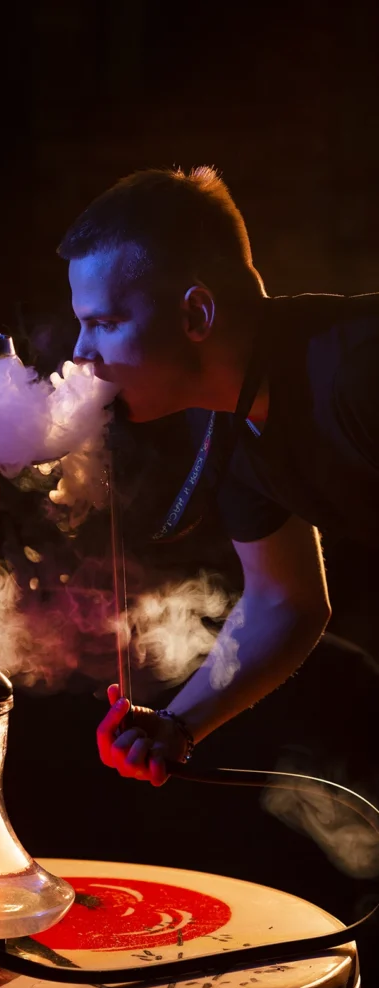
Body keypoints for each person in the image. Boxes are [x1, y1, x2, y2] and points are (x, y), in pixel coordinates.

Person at [57, 166, 379, 785]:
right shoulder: (223, 420)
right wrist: (178, 725)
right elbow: (284, 602)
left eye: (102, 323)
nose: (80, 353)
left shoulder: (361, 375)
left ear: (196, 314)